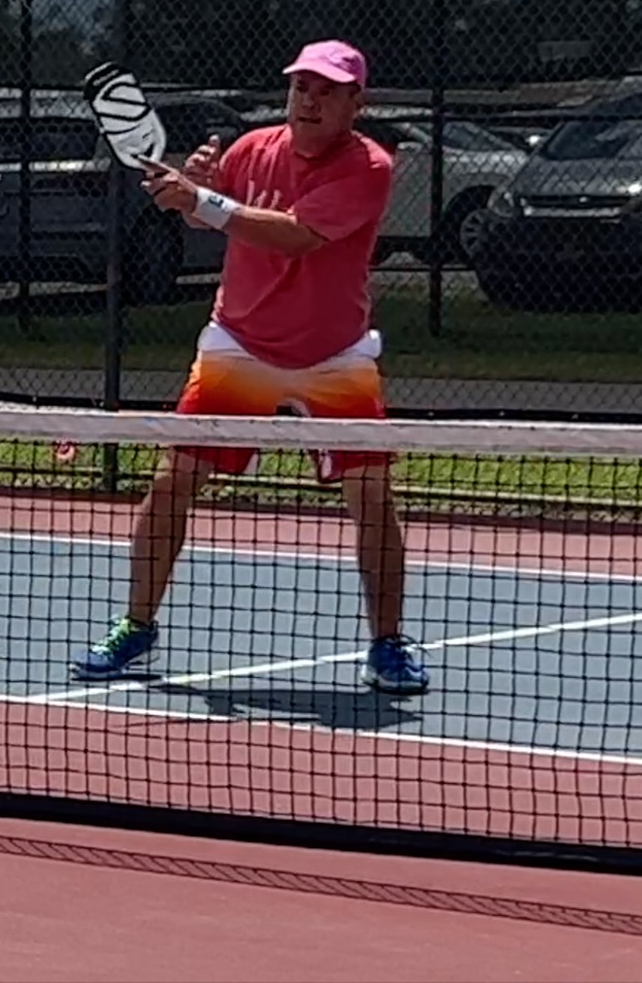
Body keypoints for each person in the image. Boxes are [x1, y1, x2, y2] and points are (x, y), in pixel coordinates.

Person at [68, 39, 427, 696]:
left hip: (334, 355)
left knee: (371, 498)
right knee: (173, 480)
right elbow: (213, 212)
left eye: (326, 90)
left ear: (355, 103)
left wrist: (200, 201)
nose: (309, 100)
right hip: (238, 343)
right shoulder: (251, 147)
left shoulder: (368, 167)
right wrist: (196, 183)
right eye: (300, 88)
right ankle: (136, 625)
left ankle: (387, 644)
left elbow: (293, 233)